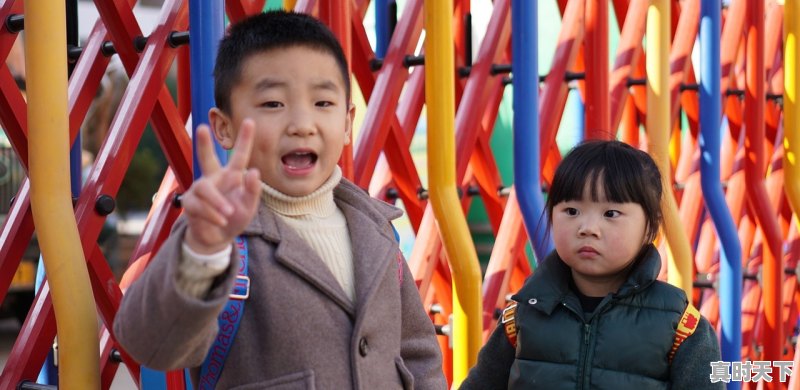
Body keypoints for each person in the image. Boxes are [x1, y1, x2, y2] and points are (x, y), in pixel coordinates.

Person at [113, 11, 446, 389]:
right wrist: (201, 254)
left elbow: (418, 354)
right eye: (273, 104)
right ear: (225, 127)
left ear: (349, 122)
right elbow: (151, 344)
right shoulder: (220, 235)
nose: (302, 123)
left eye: (323, 103)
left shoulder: (376, 229)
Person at [461, 140, 722, 389]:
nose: (587, 228)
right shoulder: (523, 315)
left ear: (649, 227)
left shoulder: (681, 326)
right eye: (572, 211)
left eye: (611, 214)